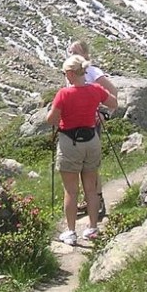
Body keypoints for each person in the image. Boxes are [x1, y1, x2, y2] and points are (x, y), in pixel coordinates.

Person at [46, 54, 118, 245]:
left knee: (71, 190)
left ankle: (70, 232)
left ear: (70, 73)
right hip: (92, 140)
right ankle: (92, 228)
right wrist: (100, 116)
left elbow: (51, 120)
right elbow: (113, 103)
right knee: (91, 188)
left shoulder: (64, 94)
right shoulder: (95, 89)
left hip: (70, 142)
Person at [66, 40, 118, 218]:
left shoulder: (93, 72)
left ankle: (98, 201)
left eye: (75, 52)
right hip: (75, 125)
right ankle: (90, 201)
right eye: (69, 52)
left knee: (90, 165)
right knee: (79, 165)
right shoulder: (71, 73)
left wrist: (105, 114)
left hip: (90, 123)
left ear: (85, 54)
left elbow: (112, 92)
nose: (71, 54)